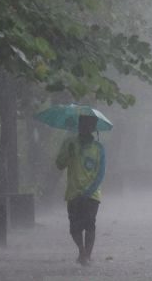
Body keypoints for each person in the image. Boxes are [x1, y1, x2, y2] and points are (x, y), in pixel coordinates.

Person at [55, 114, 106, 266]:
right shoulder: (70, 143)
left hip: (92, 194)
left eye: (89, 125)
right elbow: (59, 164)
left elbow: (100, 173)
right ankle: (81, 250)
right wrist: (68, 153)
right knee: (74, 227)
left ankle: (87, 255)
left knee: (90, 224)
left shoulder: (99, 148)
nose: (85, 128)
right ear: (79, 126)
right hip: (73, 193)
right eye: (82, 125)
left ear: (93, 128)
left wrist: (88, 192)